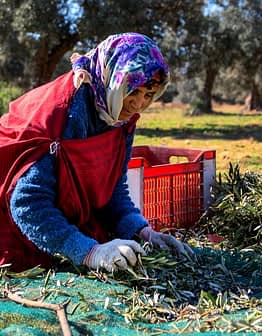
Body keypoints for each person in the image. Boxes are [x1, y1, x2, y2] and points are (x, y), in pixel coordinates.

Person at [0, 32, 193, 272]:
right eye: (131, 91)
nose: (138, 104)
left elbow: (113, 190)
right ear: (111, 78)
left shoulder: (118, 116)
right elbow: (28, 205)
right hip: (13, 229)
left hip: (64, 222)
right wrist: (89, 252)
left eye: (149, 95)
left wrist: (143, 231)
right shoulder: (65, 117)